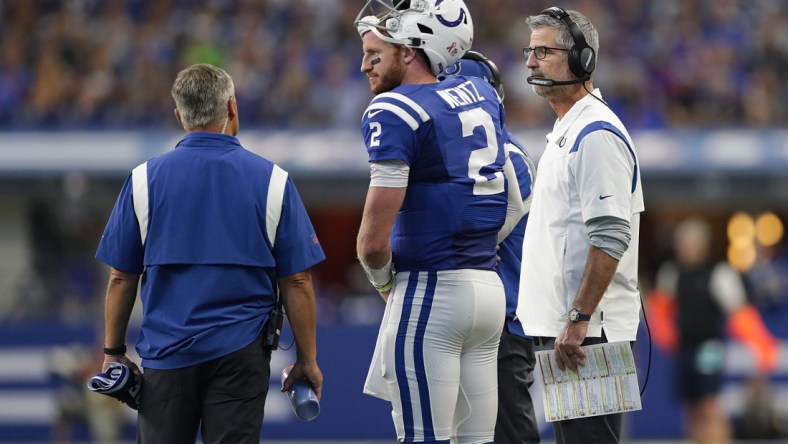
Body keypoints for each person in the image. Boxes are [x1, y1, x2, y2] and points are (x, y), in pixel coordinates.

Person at [94, 63, 324, 444]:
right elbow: (297, 279)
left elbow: (121, 277)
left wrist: (113, 353)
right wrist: (307, 360)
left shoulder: (141, 181)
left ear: (179, 116)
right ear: (232, 108)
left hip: (166, 355)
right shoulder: (273, 181)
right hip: (241, 352)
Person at [353, 1, 525, 442]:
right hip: (488, 292)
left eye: (379, 51)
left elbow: (373, 244)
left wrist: (384, 283)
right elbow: (514, 199)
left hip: (432, 290)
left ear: (411, 49)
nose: (365, 64)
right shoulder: (481, 94)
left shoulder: (395, 109)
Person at [516, 7, 645, 444]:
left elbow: (610, 235)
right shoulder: (569, 130)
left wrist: (579, 317)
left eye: (543, 52)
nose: (530, 63)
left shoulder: (596, 134)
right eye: (529, 52)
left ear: (582, 60)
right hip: (576, 331)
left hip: (590, 333)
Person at [441, 51, 540, 444]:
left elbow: (478, 236)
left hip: (502, 318)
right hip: (467, 315)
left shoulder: (508, 156)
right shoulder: (455, 158)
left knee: (508, 430)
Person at [651, 217, 779, 444]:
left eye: (693, 244)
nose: (688, 249)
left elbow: (740, 314)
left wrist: (761, 345)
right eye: (684, 244)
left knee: (710, 403)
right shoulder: (671, 273)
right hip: (685, 347)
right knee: (692, 405)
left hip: (709, 347)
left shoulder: (720, 273)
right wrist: (667, 338)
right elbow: (660, 310)